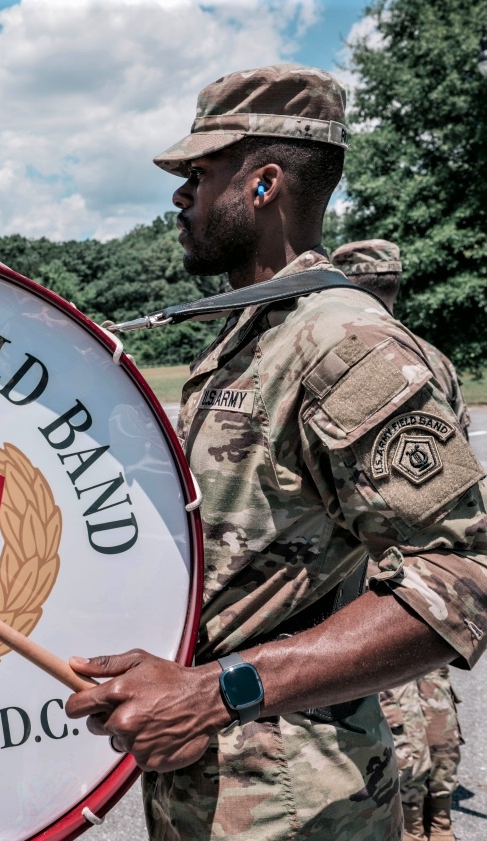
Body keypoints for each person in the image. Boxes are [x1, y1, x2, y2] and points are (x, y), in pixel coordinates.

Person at [65, 64, 487, 841]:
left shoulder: (342, 341)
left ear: (262, 186)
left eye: (199, 172)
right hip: (219, 787)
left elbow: (458, 579)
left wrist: (216, 691)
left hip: (300, 803)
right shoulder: (258, 333)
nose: (179, 195)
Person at [332, 240, 467, 841]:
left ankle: (410, 823)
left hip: (371, 569)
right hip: (433, 561)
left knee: (389, 700)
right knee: (432, 686)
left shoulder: (358, 355)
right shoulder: (433, 359)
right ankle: (439, 820)